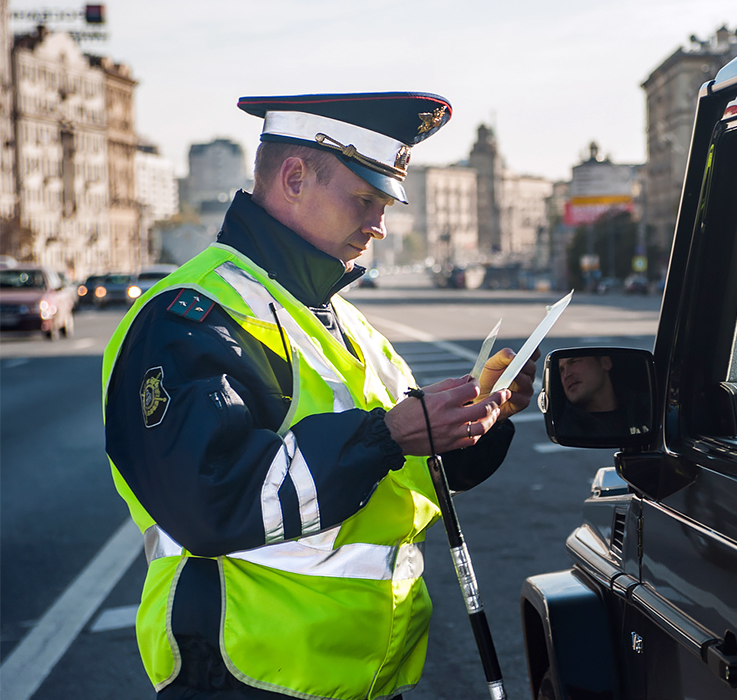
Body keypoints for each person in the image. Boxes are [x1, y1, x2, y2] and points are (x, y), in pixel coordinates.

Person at [102, 92, 538, 700]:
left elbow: (404, 475)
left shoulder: (340, 319)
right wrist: (387, 433)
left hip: (362, 677)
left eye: (385, 203)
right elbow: (213, 500)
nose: (380, 224)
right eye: (365, 199)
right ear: (294, 177)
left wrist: (474, 417)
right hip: (248, 677)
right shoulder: (192, 315)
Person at [553, 354, 646, 437]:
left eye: (574, 362)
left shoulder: (646, 409)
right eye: (561, 370)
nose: (566, 374)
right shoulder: (565, 430)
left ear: (605, 362)